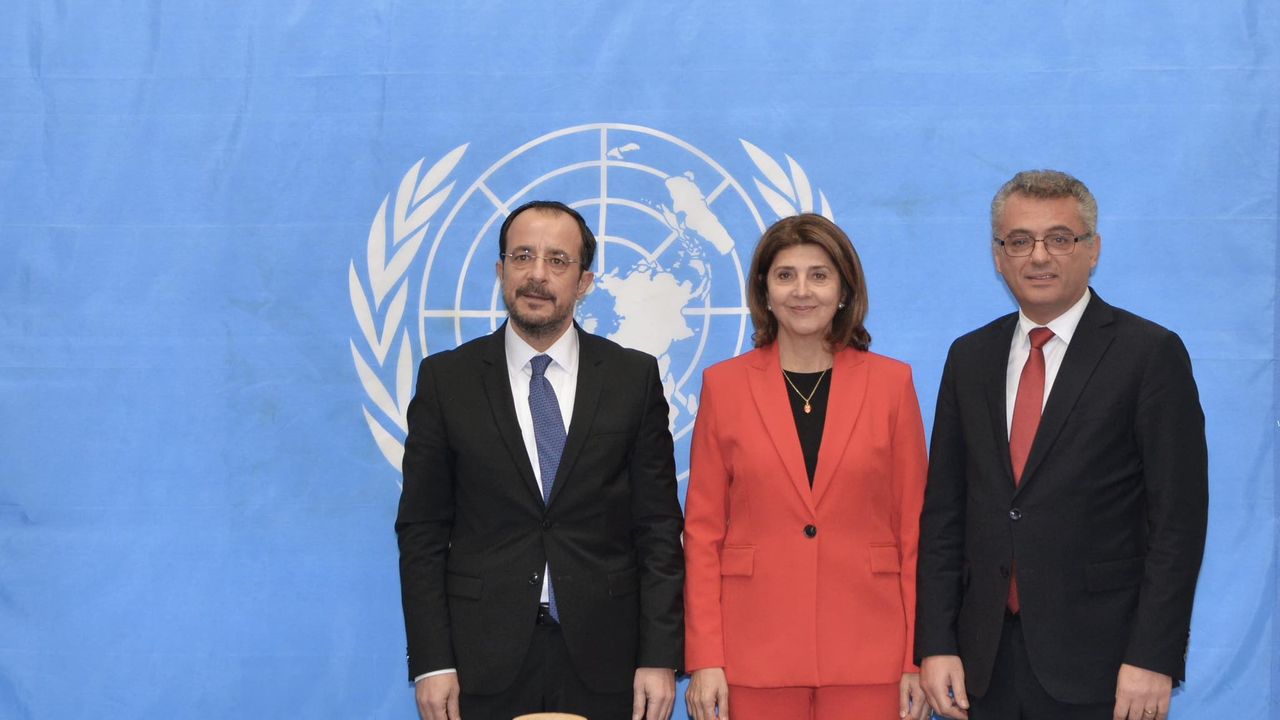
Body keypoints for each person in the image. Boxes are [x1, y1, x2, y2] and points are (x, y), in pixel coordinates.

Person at [915, 170, 1208, 720]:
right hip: (981, 663)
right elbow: (945, 515)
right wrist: (936, 643)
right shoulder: (969, 357)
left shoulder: (1150, 354)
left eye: (1060, 238)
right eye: (1019, 241)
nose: (1039, 256)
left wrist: (1154, 655)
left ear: (1093, 249)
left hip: (1106, 665)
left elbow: (1178, 522)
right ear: (998, 256)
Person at [396, 200, 684, 720]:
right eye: (523, 256)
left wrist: (659, 656)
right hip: (479, 660)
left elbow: (658, 528)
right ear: (500, 270)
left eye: (557, 261)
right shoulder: (447, 380)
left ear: (584, 281)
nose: (537, 275)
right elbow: (422, 532)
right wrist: (432, 662)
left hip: (609, 657)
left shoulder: (632, 379)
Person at [683, 213, 931, 720]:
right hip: (752, 653)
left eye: (819, 275)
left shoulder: (892, 384)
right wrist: (706, 657)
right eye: (785, 275)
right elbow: (703, 533)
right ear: (764, 290)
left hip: (872, 650)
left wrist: (916, 657)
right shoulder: (723, 386)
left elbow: (915, 529)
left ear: (843, 290)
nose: (801, 291)